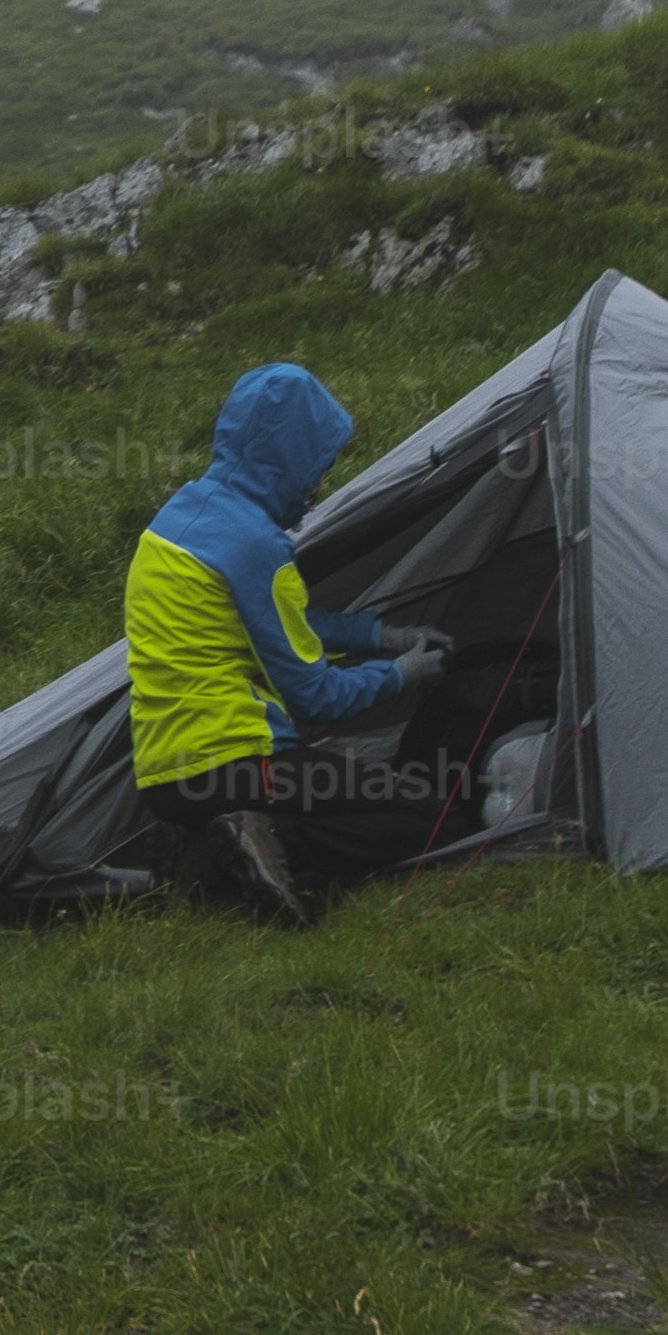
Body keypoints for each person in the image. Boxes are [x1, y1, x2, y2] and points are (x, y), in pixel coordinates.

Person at [125, 360, 449, 917]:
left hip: (164, 776)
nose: (317, 486)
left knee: (355, 793)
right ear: (287, 460)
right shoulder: (254, 544)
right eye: (314, 466)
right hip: (240, 764)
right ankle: (275, 848)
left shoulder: (176, 519)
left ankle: (203, 852)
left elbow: (280, 622)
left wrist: (382, 636)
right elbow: (314, 696)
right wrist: (402, 674)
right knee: (429, 815)